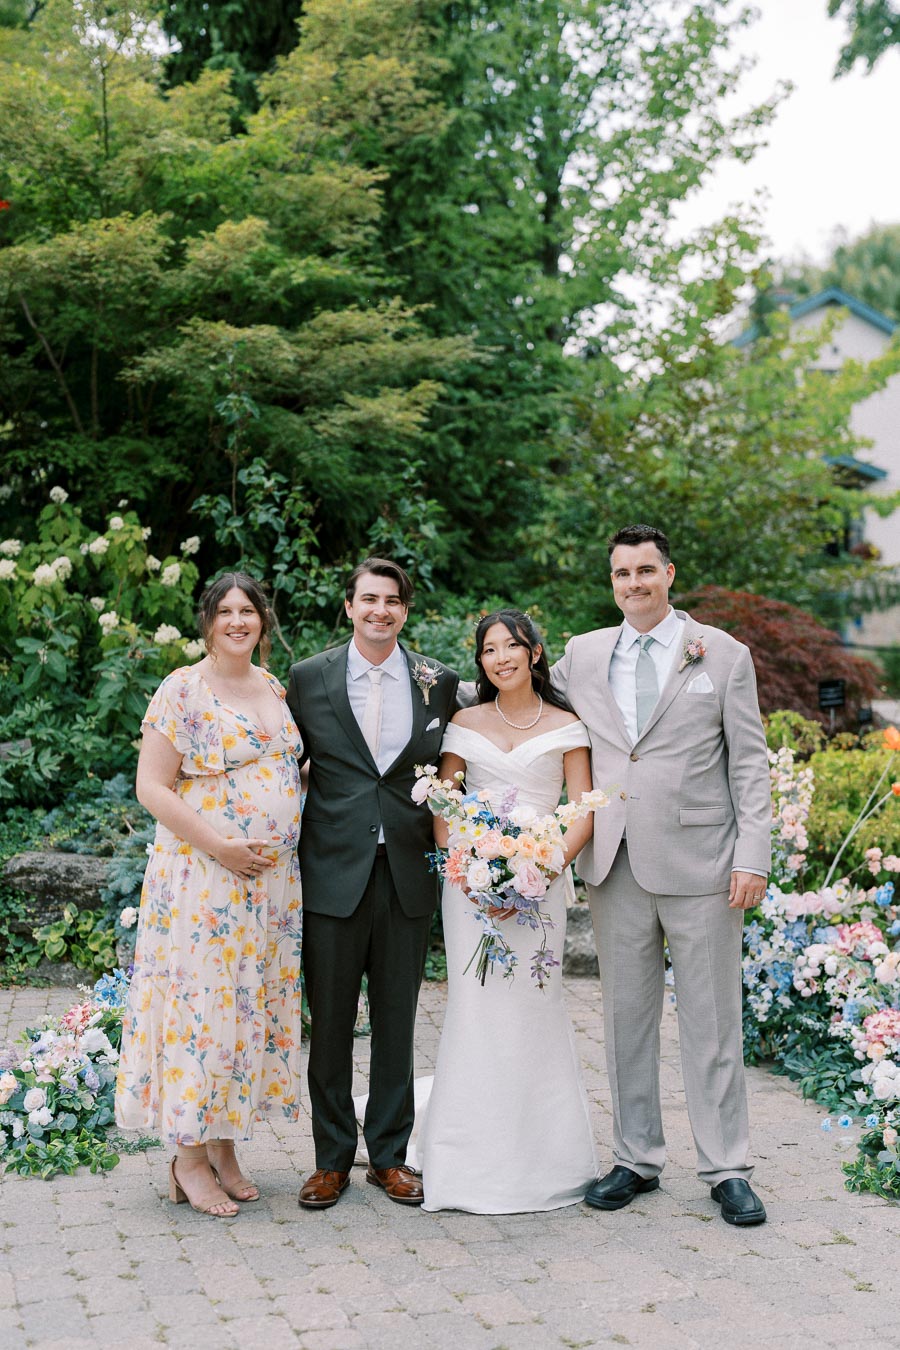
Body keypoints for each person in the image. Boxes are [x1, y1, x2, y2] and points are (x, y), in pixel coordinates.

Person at [552, 524, 772, 1226]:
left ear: (669, 574)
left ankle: (727, 1167)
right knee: (625, 1020)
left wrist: (752, 856)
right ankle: (635, 1158)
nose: (634, 583)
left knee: (713, 1021)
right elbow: (516, 692)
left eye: (646, 570)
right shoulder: (585, 654)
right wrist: (433, 688)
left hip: (703, 863)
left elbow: (749, 761)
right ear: (611, 581)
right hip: (615, 859)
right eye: (622, 573)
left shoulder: (723, 654)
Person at [115, 572, 304, 1218]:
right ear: (207, 622)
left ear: (262, 621)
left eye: (247, 610)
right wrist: (222, 846)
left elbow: (285, 767)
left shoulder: (272, 687)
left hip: (269, 888)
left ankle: (223, 1146)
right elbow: (151, 786)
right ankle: (187, 1159)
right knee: (202, 1011)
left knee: (244, 1009)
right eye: (225, 611)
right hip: (205, 881)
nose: (237, 621)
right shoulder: (182, 689)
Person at [286, 557, 459, 1209]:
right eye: (369, 599)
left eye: (392, 601)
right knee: (330, 1021)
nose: (380, 610)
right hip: (332, 870)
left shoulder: (438, 682)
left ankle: (389, 1156)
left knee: (397, 1020)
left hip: (407, 871)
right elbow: (284, 765)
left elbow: (457, 765)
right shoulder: (309, 678)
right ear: (350, 606)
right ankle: (330, 1159)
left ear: (405, 611)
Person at [418, 609, 599, 1213]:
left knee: (533, 1008)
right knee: (476, 1008)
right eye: (489, 650)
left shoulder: (568, 725)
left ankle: (543, 1155)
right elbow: (445, 806)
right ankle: (466, 1155)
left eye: (512, 646)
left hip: (540, 890)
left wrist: (540, 872)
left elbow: (582, 810)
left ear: (535, 652)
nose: (501, 658)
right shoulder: (465, 722)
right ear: (481, 662)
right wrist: (470, 875)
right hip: (469, 890)